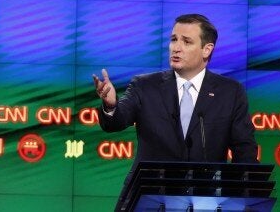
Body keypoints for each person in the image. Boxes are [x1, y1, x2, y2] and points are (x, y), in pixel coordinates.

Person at [92, 14, 258, 211]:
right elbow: (116, 121)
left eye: (186, 42)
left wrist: (245, 201)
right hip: (148, 200)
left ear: (207, 50)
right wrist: (111, 105)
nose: (176, 48)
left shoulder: (230, 92)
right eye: (173, 39)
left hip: (204, 202)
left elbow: (244, 151)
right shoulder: (145, 86)